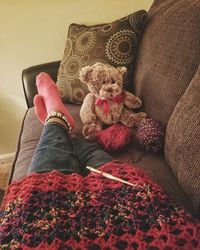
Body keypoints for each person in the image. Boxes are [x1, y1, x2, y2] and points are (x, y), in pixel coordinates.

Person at [0, 73, 199, 249]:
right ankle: (59, 124)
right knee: (101, 162)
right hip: (145, 218)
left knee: (43, 187)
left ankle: (57, 120)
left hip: (42, 224)